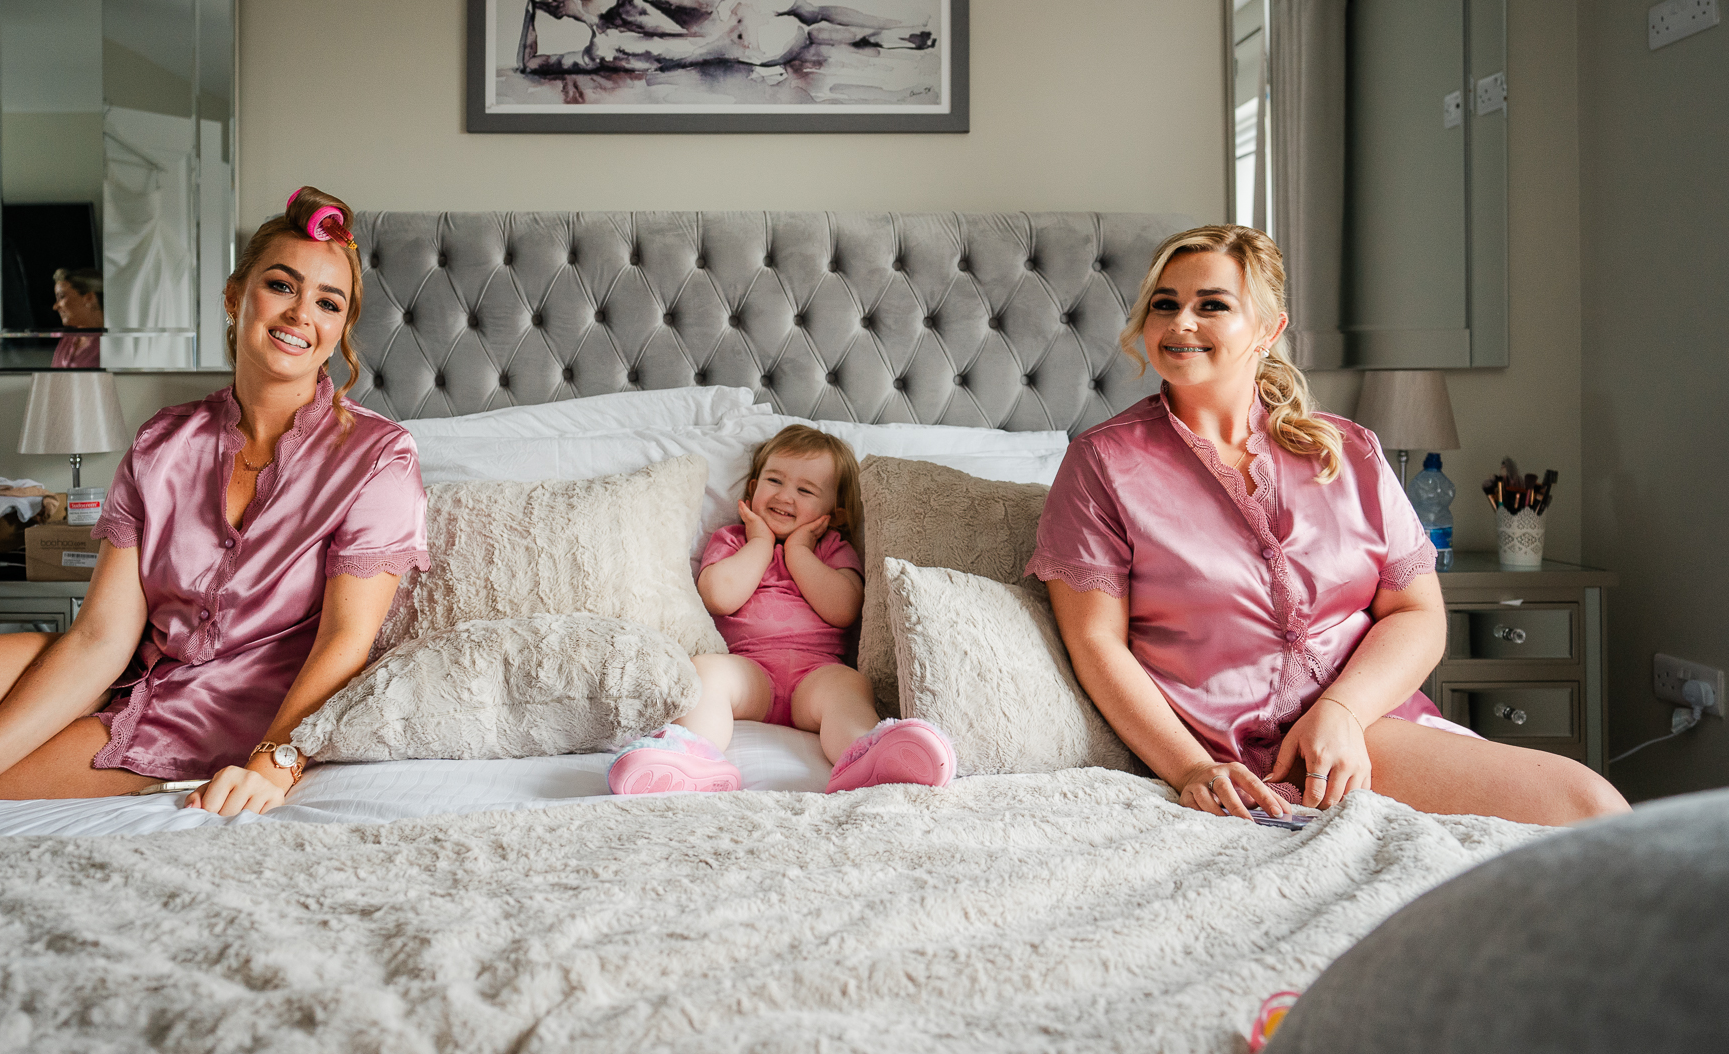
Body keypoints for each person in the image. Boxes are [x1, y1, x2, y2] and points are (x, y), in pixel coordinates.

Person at [0, 188, 429, 821]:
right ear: (235, 297)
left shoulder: (379, 457)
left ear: (340, 331)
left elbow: (347, 640)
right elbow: (102, 635)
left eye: (329, 302)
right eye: (282, 286)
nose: (302, 314)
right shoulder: (164, 441)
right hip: (135, 671)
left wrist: (277, 759)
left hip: (239, 708)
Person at [1028, 224, 1627, 827]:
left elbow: (1417, 614)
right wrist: (1189, 770)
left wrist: (1340, 711)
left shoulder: (1350, 452)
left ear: (1269, 329)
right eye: (1165, 305)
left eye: (1211, 304)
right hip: (1216, 753)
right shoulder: (1103, 463)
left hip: (1364, 731)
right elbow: (1096, 643)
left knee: (1594, 807)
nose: (1181, 322)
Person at [609, 426, 956, 795]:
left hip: (816, 675)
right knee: (706, 671)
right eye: (774, 480)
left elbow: (843, 609)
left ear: (834, 513)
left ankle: (866, 754)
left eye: (805, 490)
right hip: (750, 671)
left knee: (850, 686)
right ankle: (691, 756)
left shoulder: (832, 548)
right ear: (753, 487)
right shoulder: (733, 540)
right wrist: (760, 542)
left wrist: (799, 552)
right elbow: (719, 597)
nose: (785, 495)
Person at [516, 0, 935, 76]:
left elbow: (530, 64)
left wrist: (527, 16)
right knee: (814, 13)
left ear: (556, 1)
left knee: (816, 34)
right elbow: (707, 4)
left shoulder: (601, 49)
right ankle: (896, 28)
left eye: (548, 4)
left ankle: (892, 35)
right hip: (741, 15)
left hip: (744, 45)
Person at [49, 267, 104, 369]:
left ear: (89, 297)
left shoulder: (110, 343)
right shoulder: (67, 339)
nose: (55, 307)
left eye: (61, 297)